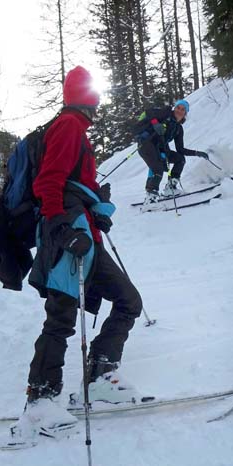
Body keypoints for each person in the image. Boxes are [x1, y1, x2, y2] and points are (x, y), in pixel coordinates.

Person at [15, 66, 143, 439]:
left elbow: (69, 182)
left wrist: (94, 209)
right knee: (61, 318)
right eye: (95, 96)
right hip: (67, 237)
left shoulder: (74, 128)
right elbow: (48, 183)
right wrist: (63, 228)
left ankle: (101, 374)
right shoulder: (69, 126)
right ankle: (40, 401)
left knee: (127, 300)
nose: (98, 103)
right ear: (86, 99)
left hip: (82, 235)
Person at [134, 99, 209, 206]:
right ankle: (150, 199)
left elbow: (181, 150)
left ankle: (170, 188)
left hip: (161, 149)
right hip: (146, 144)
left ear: (185, 113)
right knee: (158, 168)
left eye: (183, 110)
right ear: (175, 108)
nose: (180, 111)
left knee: (180, 159)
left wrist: (197, 153)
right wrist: (155, 124)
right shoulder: (166, 113)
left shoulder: (178, 128)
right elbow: (149, 112)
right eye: (178, 108)